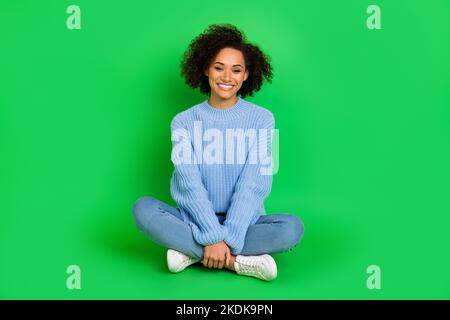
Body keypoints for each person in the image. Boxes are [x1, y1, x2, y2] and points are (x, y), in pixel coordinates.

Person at [133, 24, 304, 281]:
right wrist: (212, 235)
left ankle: (191, 253)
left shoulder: (263, 119)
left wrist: (229, 236)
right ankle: (236, 262)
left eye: (236, 70)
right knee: (143, 209)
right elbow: (188, 183)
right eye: (218, 67)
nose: (227, 77)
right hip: (192, 219)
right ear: (205, 69)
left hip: (245, 222)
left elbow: (254, 183)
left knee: (291, 229)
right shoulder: (183, 122)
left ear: (246, 74)